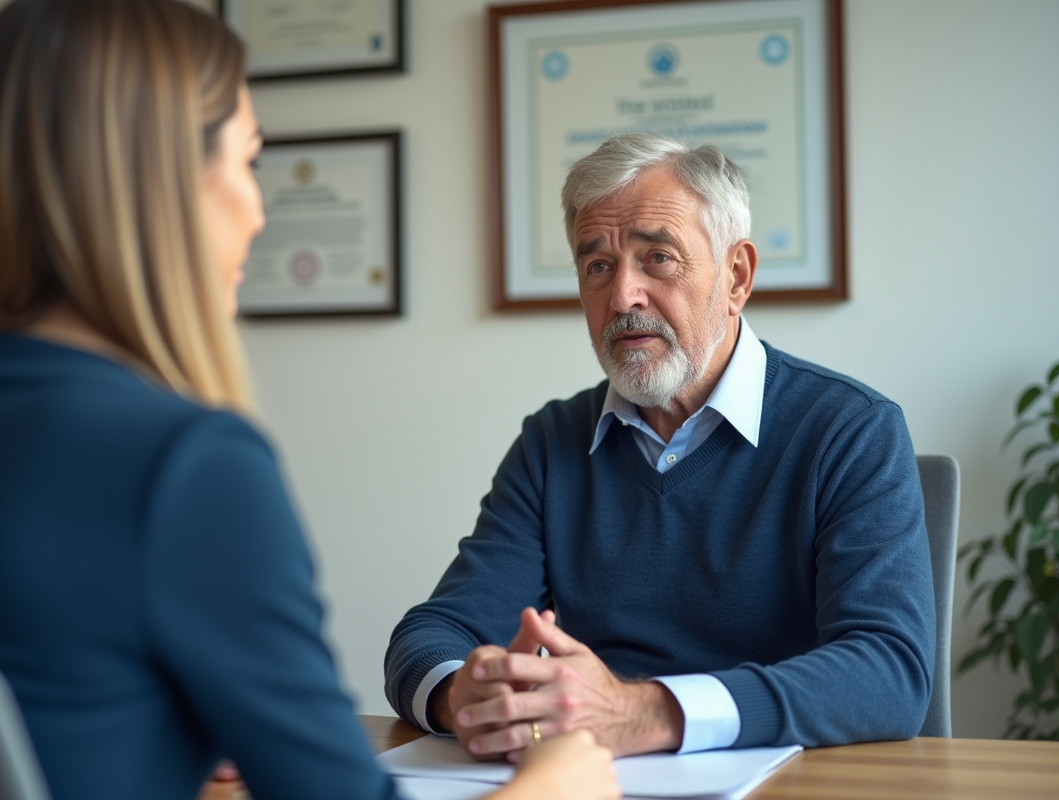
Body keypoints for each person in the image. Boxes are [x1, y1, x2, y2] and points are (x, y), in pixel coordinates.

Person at [0, 2, 620, 799]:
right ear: (156, 182)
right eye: (249, 162)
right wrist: (557, 785)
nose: (260, 212)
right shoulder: (184, 466)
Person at [384, 133, 936, 760]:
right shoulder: (553, 442)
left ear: (736, 276)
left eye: (658, 258)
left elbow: (890, 672)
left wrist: (646, 714)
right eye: (597, 266)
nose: (622, 296)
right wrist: (461, 695)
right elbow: (433, 631)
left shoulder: (851, 430)